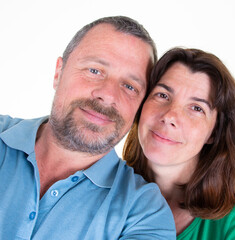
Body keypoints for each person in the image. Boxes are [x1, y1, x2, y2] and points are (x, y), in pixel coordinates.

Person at [0, 16, 176, 239]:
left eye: (130, 86)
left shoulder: (144, 213)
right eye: (95, 70)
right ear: (58, 73)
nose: (108, 95)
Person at [123, 47, 235, 239]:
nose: (170, 116)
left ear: (214, 132)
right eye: (162, 95)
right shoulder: (103, 189)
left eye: (196, 108)